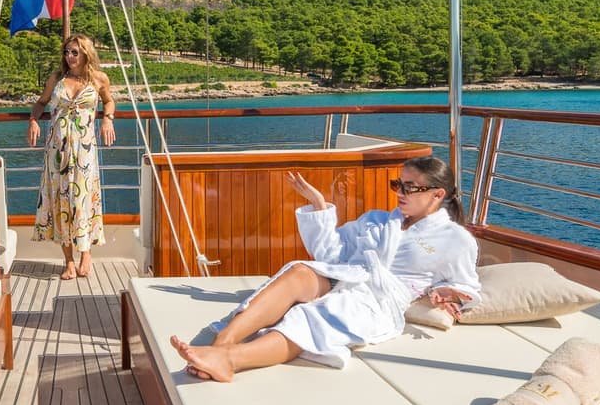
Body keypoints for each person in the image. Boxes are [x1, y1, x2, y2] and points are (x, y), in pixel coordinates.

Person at [169, 154, 480, 382]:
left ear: (437, 195)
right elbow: (333, 254)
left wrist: (446, 293)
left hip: (380, 300)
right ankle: (222, 342)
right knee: (299, 273)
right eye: (397, 184)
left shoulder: (455, 240)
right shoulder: (378, 220)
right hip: (350, 276)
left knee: (307, 316)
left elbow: (467, 288)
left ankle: (230, 361)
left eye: (410, 188)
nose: (399, 193)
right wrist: (319, 205)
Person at [27, 33, 117, 280]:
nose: (69, 56)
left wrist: (107, 120)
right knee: (61, 202)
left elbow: (109, 102)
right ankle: (68, 261)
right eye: (67, 52)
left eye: (74, 52)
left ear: (86, 53)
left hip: (84, 151)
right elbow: (41, 102)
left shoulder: (99, 79)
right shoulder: (57, 78)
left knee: (83, 201)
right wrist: (33, 120)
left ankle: (85, 253)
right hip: (57, 152)